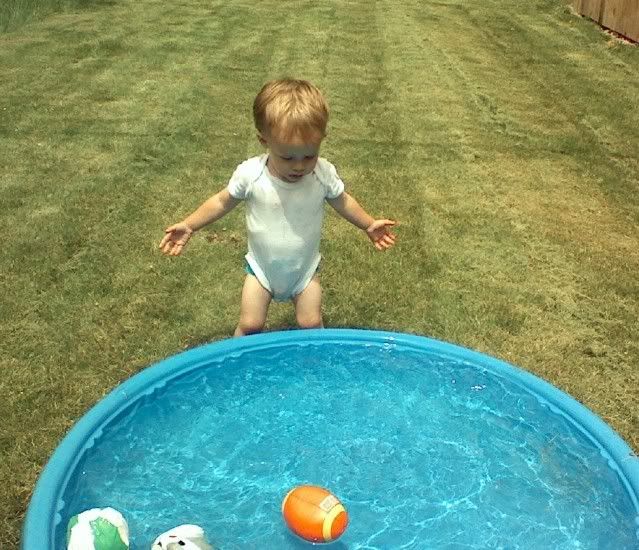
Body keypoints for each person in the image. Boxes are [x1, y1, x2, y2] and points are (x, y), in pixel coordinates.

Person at [159, 78, 396, 336]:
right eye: (288, 157)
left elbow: (342, 200)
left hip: (304, 270)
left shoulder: (322, 174)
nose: (299, 166)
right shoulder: (252, 175)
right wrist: (190, 225)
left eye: (309, 155)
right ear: (264, 141)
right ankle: (238, 357)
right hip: (261, 269)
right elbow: (221, 201)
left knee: (310, 322)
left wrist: (368, 224)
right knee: (250, 324)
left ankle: (317, 359)